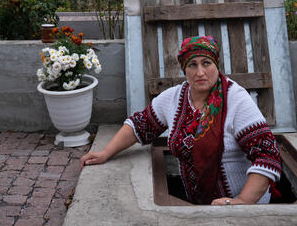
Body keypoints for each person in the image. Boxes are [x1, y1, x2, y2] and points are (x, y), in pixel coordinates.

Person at [80, 35, 281, 205]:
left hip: (243, 206)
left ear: (216, 65)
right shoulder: (174, 97)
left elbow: (267, 157)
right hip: (198, 205)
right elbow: (140, 125)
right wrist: (106, 153)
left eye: (206, 63)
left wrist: (241, 202)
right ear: (184, 70)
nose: (200, 72)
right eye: (192, 65)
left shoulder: (237, 100)